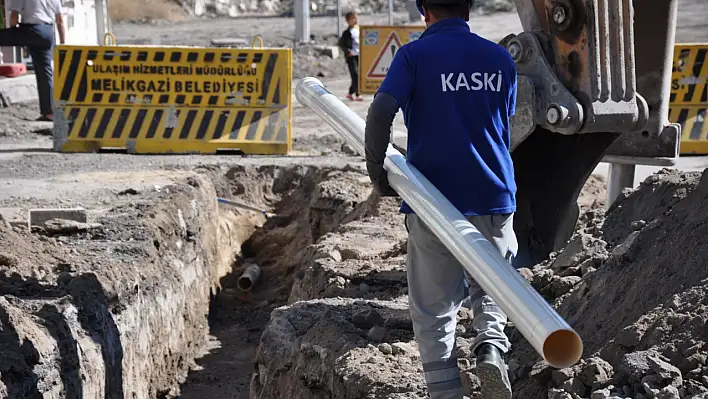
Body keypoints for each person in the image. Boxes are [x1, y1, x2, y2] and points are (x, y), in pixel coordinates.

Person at [363, 0, 519, 396]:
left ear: (424, 12)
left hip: (433, 199)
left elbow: (381, 111)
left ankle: (446, 393)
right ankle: (490, 349)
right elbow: (506, 126)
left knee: (434, 311)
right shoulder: (500, 58)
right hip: (494, 193)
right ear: (468, 10)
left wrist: (379, 173)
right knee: (494, 285)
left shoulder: (414, 55)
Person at [0, 0, 65, 121]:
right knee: (45, 71)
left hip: (31, 30)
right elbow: (60, 20)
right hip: (48, 32)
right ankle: (49, 112)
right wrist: (62, 43)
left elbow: (14, 17)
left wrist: (14, 33)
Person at [337, 11, 363, 101]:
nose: (355, 20)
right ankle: (358, 94)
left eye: (356, 18)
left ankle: (350, 93)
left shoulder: (359, 30)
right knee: (355, 74)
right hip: (351, 57)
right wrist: (348, 52)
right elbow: (341, 44)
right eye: (353, 18)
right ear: (348, 21)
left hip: (360, 56)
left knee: (358, 75)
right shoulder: (347, 33)